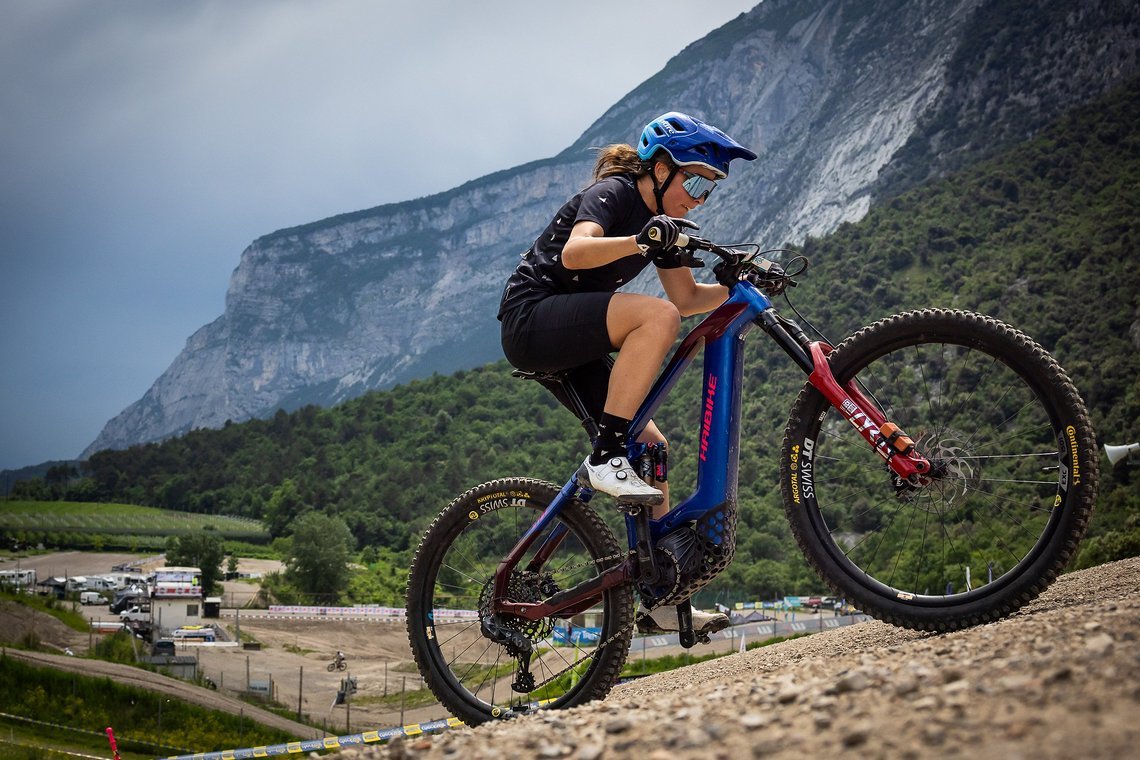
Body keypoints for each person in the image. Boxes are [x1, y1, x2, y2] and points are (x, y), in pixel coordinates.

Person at [498, 111, 756, 634]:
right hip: (531, 318)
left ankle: (661, 596)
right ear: (659, 169)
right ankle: (605, 456)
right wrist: (645, 241)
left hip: (574, 340)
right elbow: (578, 249)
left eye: (707, 189)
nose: (696, 198)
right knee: (651, 316)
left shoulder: (661, 225)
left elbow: (685, 299)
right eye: (693, 182)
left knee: (652, 445)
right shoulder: (616, 192)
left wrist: (739, 288)